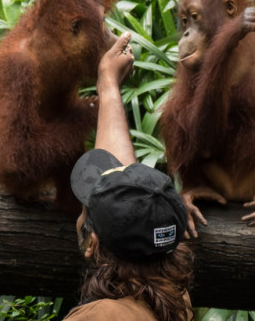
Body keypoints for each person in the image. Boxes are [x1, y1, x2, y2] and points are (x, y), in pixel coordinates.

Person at [64, 31, 194, 321]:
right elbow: (129, 189)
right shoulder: (175, 300)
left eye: (86, 209)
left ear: (93, 243)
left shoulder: (100, 317)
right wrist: (107, 85)